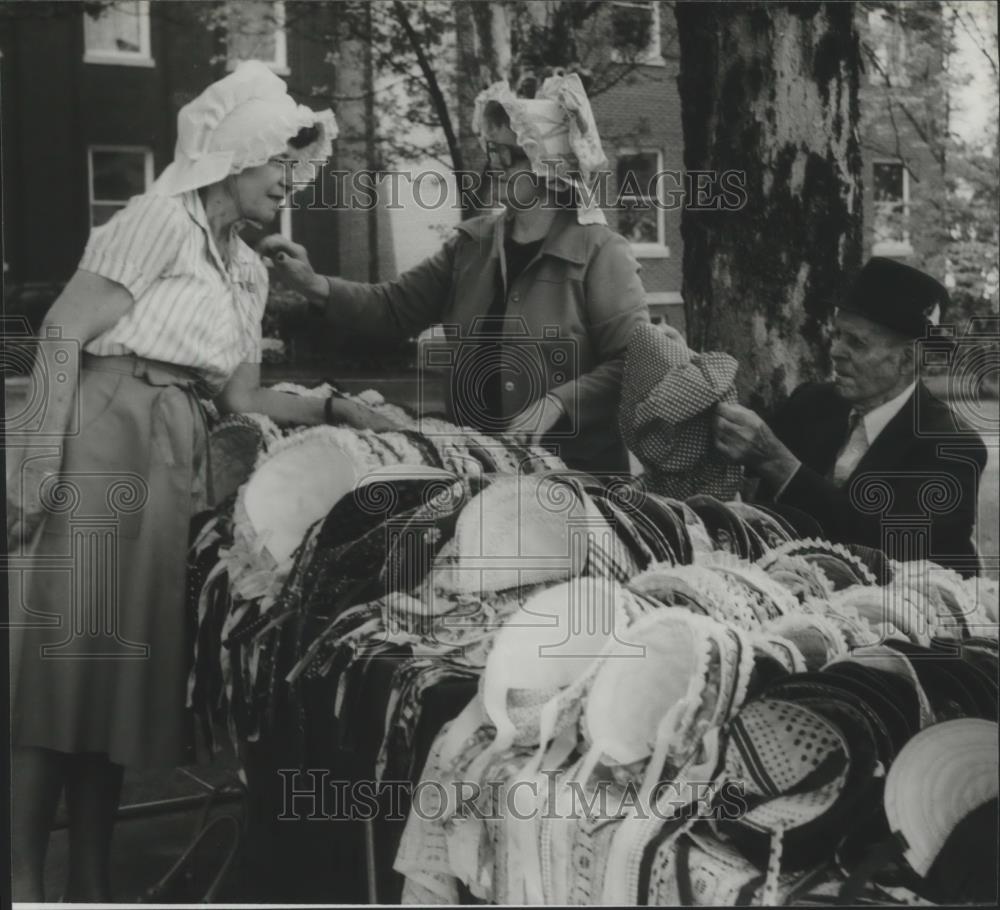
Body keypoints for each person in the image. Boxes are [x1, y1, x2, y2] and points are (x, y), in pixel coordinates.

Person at [4, 61, 368, 902]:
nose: (289, 180)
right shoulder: (157, 220)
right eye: (278, 161)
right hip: (103, 432)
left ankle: (90, 889)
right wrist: (34, 460)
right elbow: (61, 330)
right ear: (233, 156)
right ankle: (24, 886)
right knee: (68, 670)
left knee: (111, 684)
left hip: (171, 452)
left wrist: (334, 407)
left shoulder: (245, 267)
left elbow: (240, 394)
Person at [260, 72, 650, 477]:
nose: (493, 165)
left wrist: (561, 401)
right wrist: (313, 284)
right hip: (480, 470)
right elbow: (393, 307)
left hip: (577, 482)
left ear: (547, 166)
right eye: (491, 152)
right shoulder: (472, 244)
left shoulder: (602, 252)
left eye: (507, 155)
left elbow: (636, 362)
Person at [713, 257, 988, 576]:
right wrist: (687, 371)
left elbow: (888, 544)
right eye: (838, 335)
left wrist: (782, 466)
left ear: (908, 359)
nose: (836, 351)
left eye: (856, 342)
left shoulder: (951, 445)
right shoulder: (812, 403)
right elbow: (735, 451)